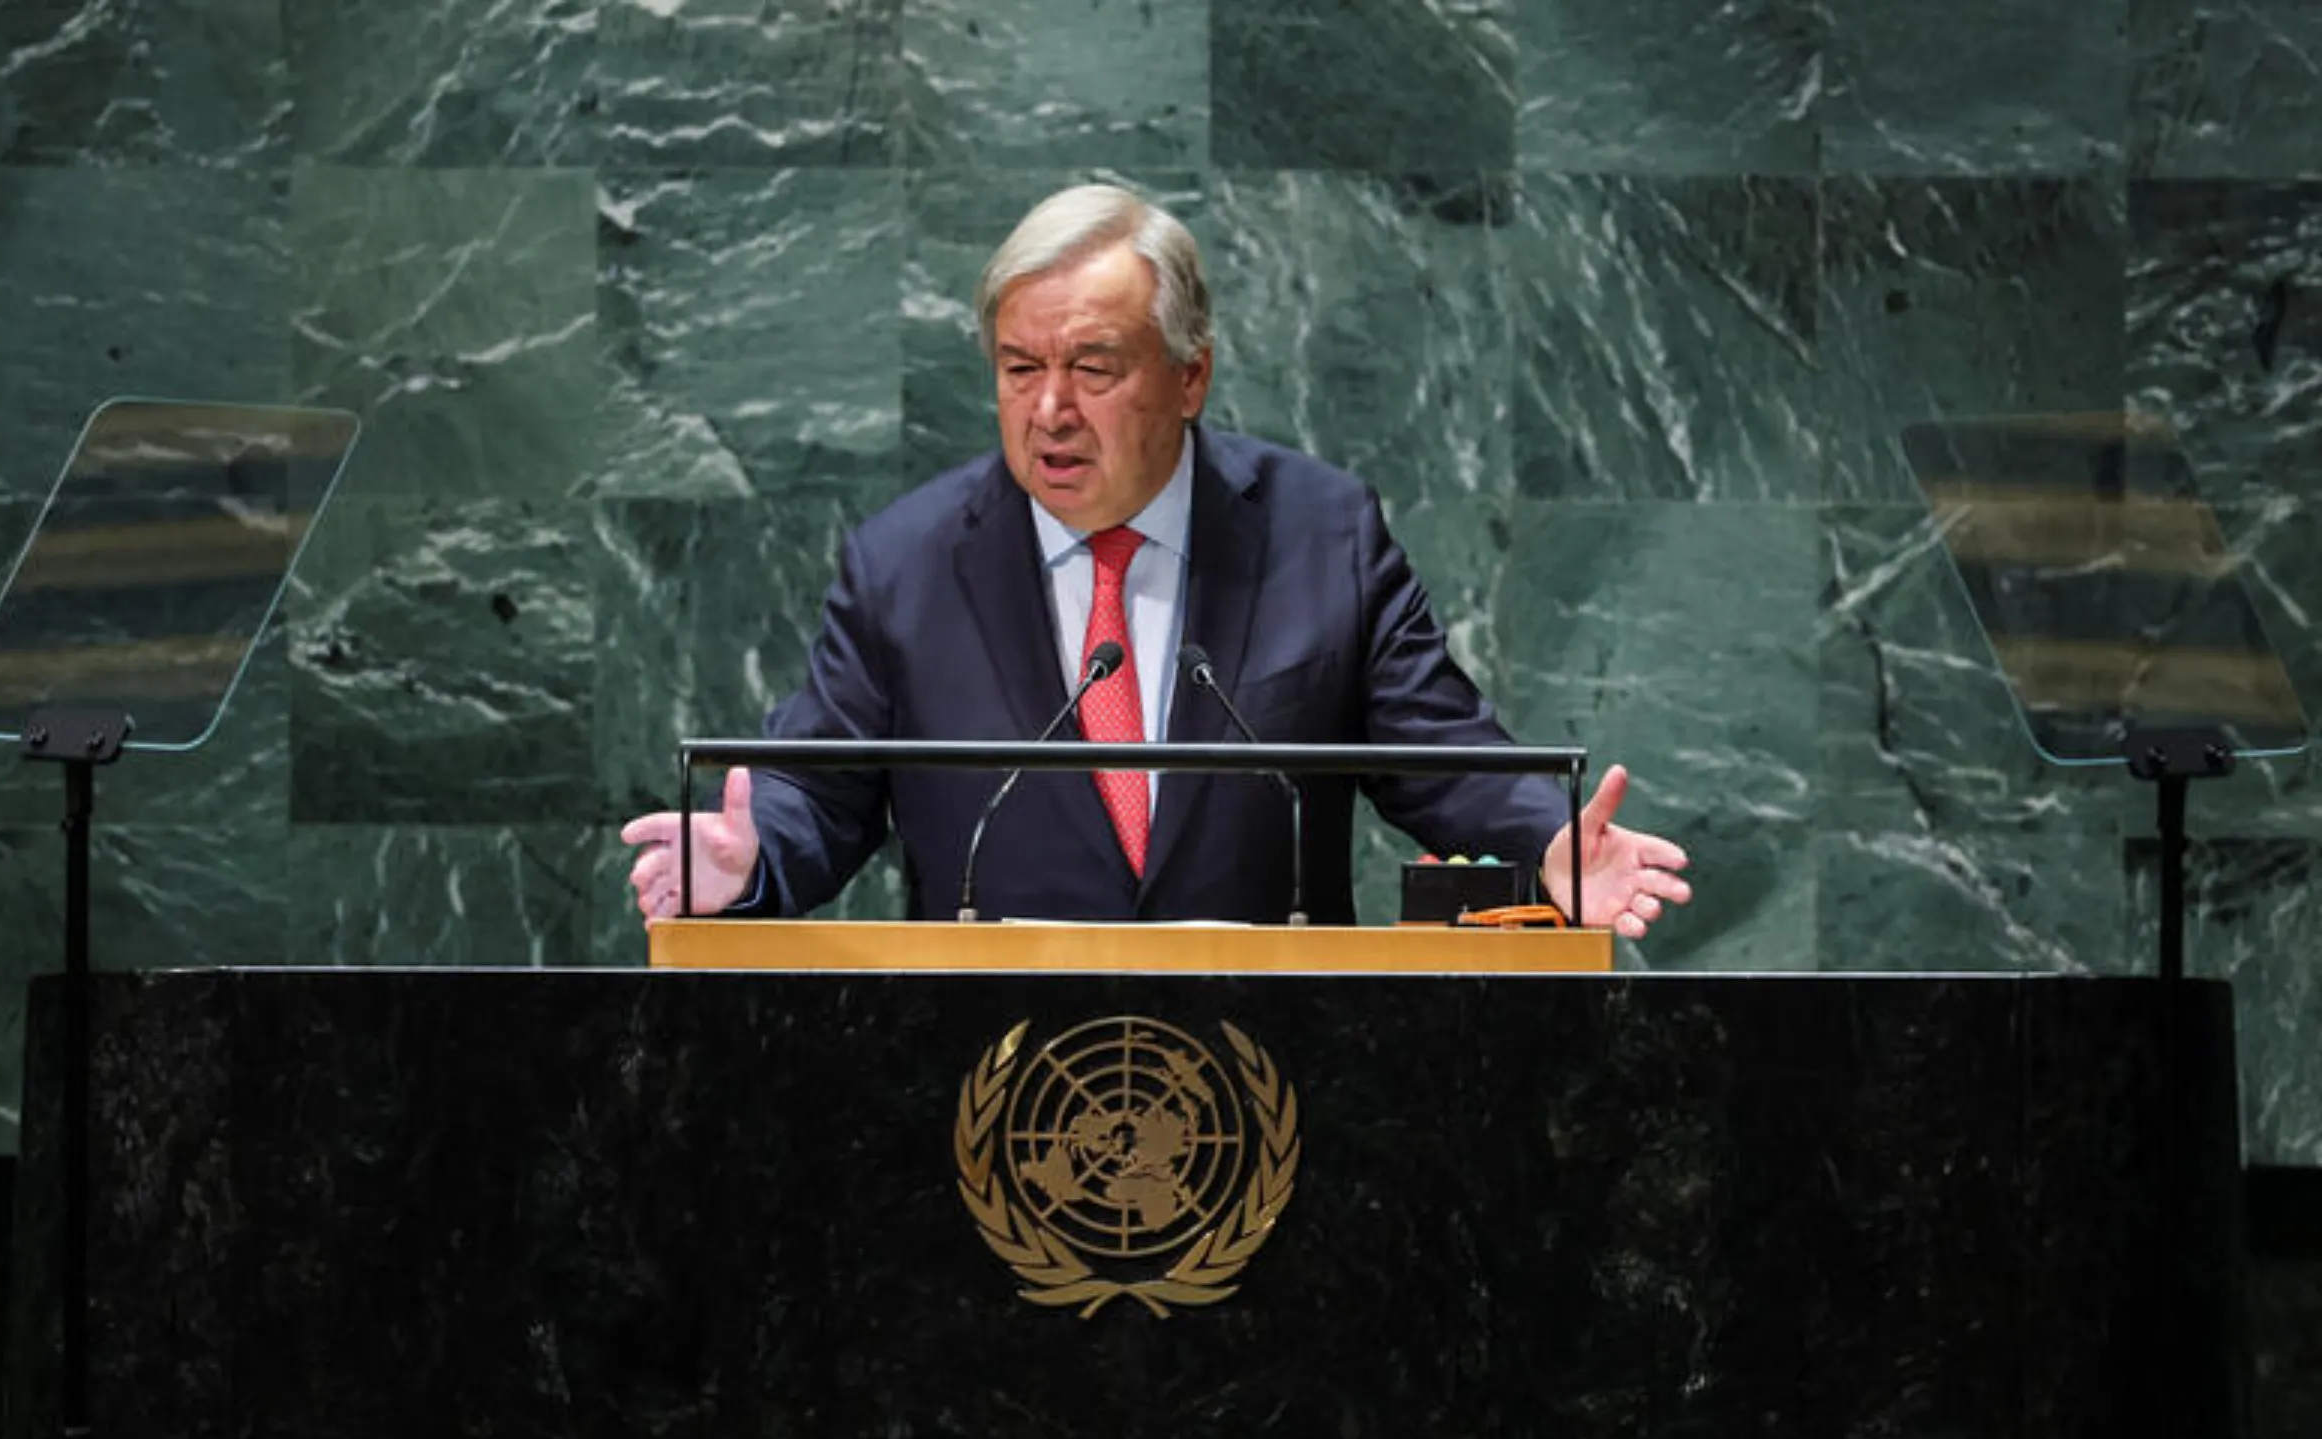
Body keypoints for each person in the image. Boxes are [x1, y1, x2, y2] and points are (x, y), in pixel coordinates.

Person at [623, 184, 1690, 935]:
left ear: (1190, 376)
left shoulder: (1323, 536)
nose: (1049, 410)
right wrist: (749, 858)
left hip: (1271, 1072)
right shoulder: (903, 566)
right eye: (1019, 367)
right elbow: (817, 789)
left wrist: (1552, 845)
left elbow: (1446, 758)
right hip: (989, 1080)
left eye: (1093, 366)